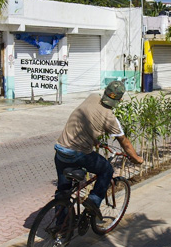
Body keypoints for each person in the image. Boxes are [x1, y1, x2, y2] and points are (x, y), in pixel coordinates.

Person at [53, 80, 143, 219]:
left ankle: (61, 229)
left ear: (106, 91)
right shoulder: (110, 118)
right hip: (77, 154)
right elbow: (124, 142)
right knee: (106, 169)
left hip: (60, 149)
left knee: (63, 191)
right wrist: (137, 159)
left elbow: (85, 121)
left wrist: (94, 141)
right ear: (119, 99)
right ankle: (93, 200)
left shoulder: (92, 97)